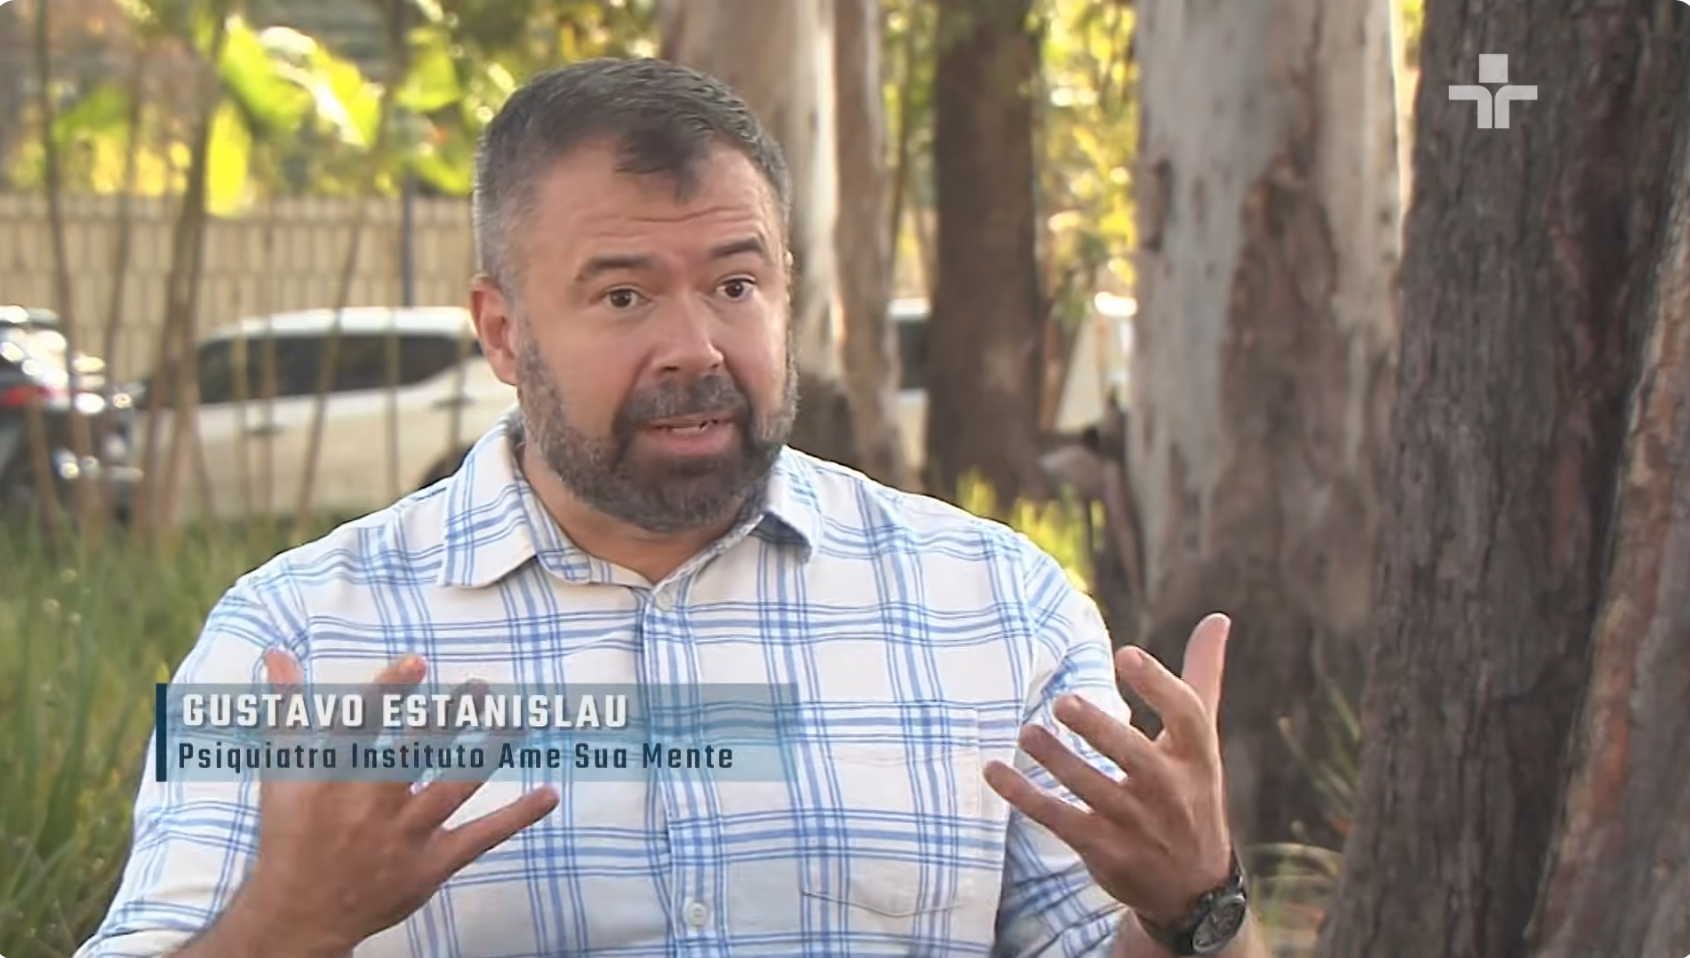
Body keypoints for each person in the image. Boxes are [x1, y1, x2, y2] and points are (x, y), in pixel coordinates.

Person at [77, 58, 1266, 958]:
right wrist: (281, 927)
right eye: (623, 295)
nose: (694, 347)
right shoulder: (292, 641)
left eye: (735, 284)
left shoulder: (993, 607)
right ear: (503, 330)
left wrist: (1187, 905)